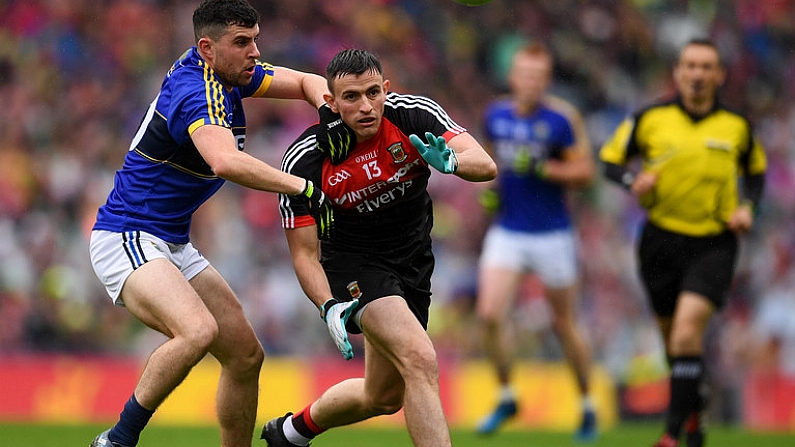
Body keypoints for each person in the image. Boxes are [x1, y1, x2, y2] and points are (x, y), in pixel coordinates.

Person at [87, 1, 338, 446]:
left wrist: (328, 111)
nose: (255, 52)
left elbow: (305, 81)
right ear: (207, 48)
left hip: (170, 242)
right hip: (126, 233)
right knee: (198, 331)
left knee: (245, 356)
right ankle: (117, 440)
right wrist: (302, 188)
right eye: (242, 43)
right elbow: (224, 161)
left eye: (255, 39)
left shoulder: (228, 73)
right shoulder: (196, 91)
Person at [260, 48, 497, 447]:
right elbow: (303, 253)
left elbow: (485, 164)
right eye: (351, 97)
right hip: (355, 266)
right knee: (420, 359)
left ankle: (292, 432)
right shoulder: (306, 159)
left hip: (414, 262)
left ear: (386, 88)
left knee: (383, 397)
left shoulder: (413, 115)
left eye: (373, 92)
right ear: (331, 103)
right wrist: (327, 304)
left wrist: (452, 161)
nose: (366, 106)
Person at [599, 38, 767, 447]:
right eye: (690, 65)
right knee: (673, 341)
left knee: (688, 333)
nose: (697, 74)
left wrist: (747, 208)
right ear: (677, 72)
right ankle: (697, 405)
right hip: (660, 241)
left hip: (713, 242)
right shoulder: (649, 118)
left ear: (720, 75)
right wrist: (632, 181)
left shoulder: (737, 127)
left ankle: (672, 435)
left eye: (706, 66)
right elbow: (610, 161)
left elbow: (756, 174)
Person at [473, 42, 597, 441]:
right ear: (512, 77)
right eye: (524, 75)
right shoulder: (495, 114)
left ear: (546, 81)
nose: (530, 83)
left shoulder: (562, 119)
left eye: (538, 77)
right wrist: (490, 191)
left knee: (564, 324)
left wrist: (544, 167)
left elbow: (585, 172)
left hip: (552, 234)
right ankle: (507, 395)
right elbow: (491, 163)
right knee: (489, 314)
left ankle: (587, 402)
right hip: (508, 230)